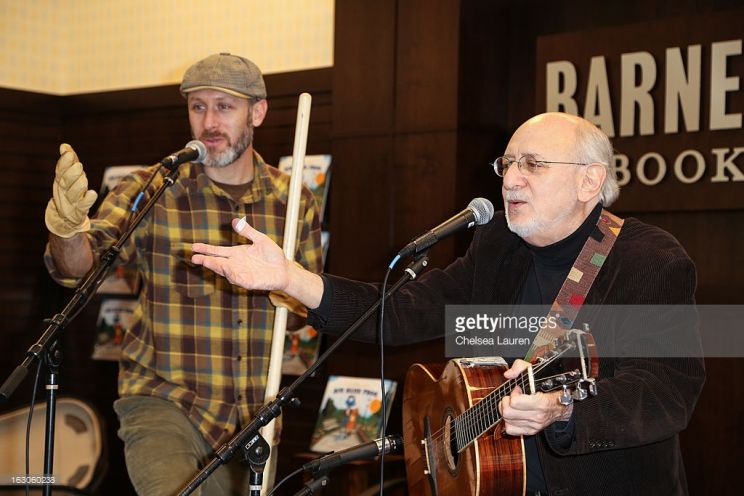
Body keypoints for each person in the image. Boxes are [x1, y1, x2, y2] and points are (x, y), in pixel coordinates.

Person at [191, 112, 705, 495]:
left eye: (533, 165)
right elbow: (404, 309)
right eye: (507, 164)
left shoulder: (649, 260)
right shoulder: (499, 246)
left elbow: (666, 391)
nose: (510, 179)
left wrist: (564, 409)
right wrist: (293, 278)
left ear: (589, 180)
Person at [43, 53, 323, 495]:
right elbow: (79, 269)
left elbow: (311, 306)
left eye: (224, 107)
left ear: (259, 111)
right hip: (163, 402)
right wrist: (66, 231)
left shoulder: (294, 202)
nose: (209, 122)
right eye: (198, 107)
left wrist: (284, 285)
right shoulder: (152, 188)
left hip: (254, 415)